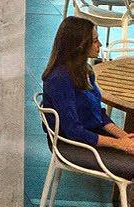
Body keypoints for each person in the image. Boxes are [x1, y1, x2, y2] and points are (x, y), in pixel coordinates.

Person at [39, 14, 134, 178]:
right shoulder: (59, 80)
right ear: (80, 46)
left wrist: (125, 137)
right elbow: (74, 131)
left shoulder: (85, 71)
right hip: (71, 143)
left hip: (90, 133)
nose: (100, 45)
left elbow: (99, 116)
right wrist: (118, 144)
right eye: (95, 41)